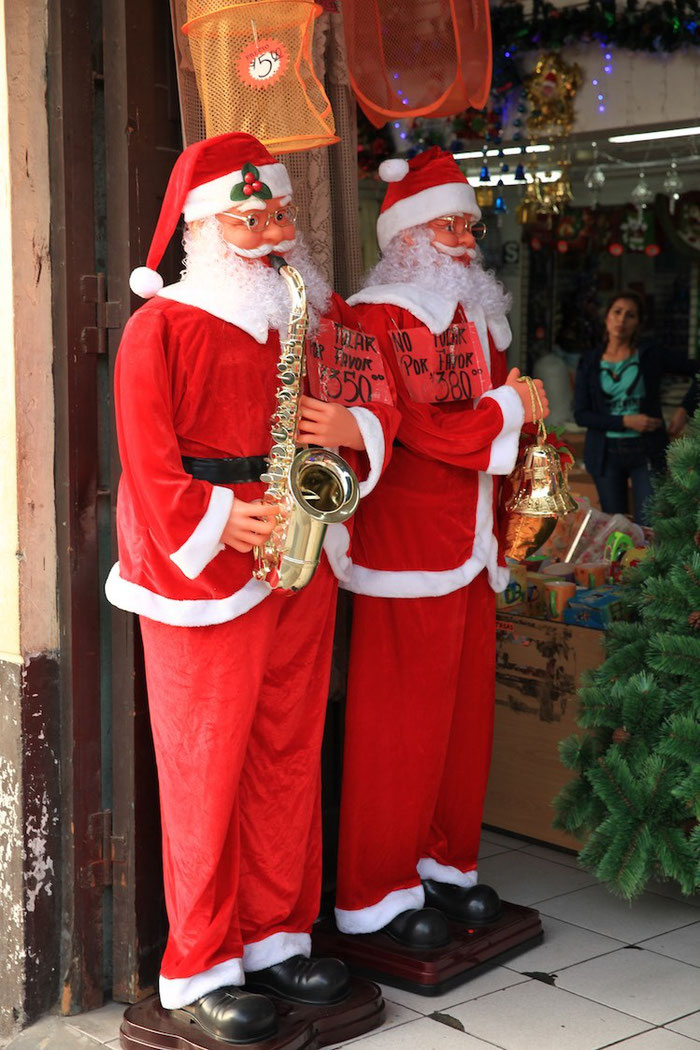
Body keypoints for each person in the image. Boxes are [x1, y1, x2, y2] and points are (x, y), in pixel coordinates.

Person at [105, 132, 397, 1045]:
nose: (273, 232)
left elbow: (380, 396)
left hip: (298, 554)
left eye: (280, 215)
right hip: (206, 566)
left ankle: (274, 938)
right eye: (252, 217)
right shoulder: (160, 324)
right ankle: (198, 964)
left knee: (286, 752)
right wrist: (215, 520)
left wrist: (352, 426)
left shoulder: (308, 316)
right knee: (204, 769)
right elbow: (147, 464)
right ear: (204, 227)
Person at [323, 148, 548, 947]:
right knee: (399, 729)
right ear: (407, 232)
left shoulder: (480, 320)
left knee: (460, 725)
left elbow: (490, 426)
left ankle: (445, 867)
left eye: (469, 224)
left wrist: (516, 467)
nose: (465, 238)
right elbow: (415, 431)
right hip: (406, 549)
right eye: (448, 224)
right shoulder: (373, 317)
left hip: (475, 547)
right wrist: (505, 412)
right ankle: (378, 890)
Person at [574, 291, 696, 525]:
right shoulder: (590, 361)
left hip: (646, 450)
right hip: (605, 453)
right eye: (617, 312)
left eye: (630, 315)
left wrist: (683, 411)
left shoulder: (650, 355)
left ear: (638, 322)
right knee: (614, 526)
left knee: (647, 525)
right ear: (606, 317)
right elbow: (581, 415)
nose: (622, 320)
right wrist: (625, 421)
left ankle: (641, 564)